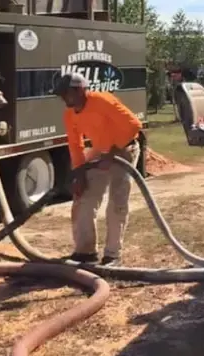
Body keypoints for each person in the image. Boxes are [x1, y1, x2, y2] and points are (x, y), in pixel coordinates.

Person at [53, 73, 142, 265]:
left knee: (117, 202)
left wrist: (112, 154)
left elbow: (134, 125)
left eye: (67, 93)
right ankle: (85, 252)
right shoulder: (69, 114)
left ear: (81, 90)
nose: (64, 99)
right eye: (61, 95)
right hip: (99, 151)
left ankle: (112, 254)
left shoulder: (102, 101)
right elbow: (75, 145)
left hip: (124, 148)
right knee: (83, 199)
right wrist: (79, 174)